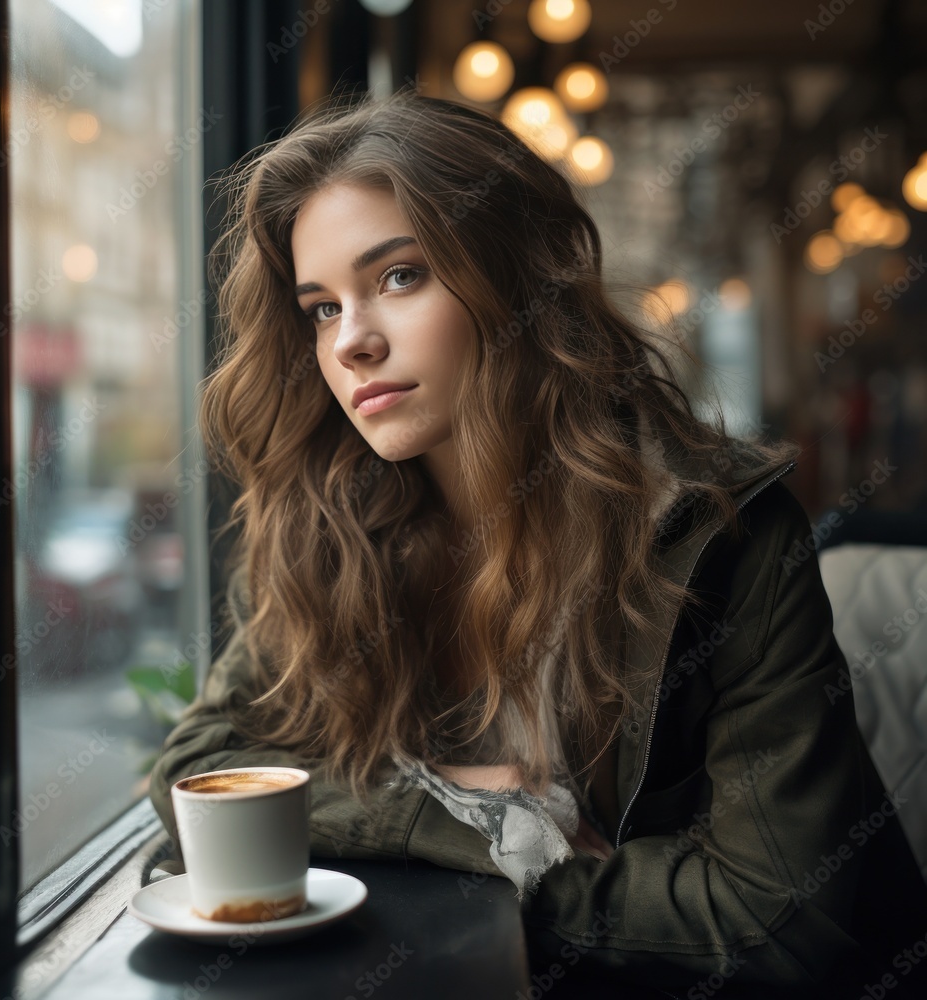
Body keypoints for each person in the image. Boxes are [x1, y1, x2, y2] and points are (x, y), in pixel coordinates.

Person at [150, 91, 927, 996]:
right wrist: (468, 812)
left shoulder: (719, 528)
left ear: (517, 279)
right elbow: (198, 775)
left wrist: (527, 871)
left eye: (399, 276)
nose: (352, 341)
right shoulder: (329, 531)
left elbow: (782, 923)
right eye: (321, 308)